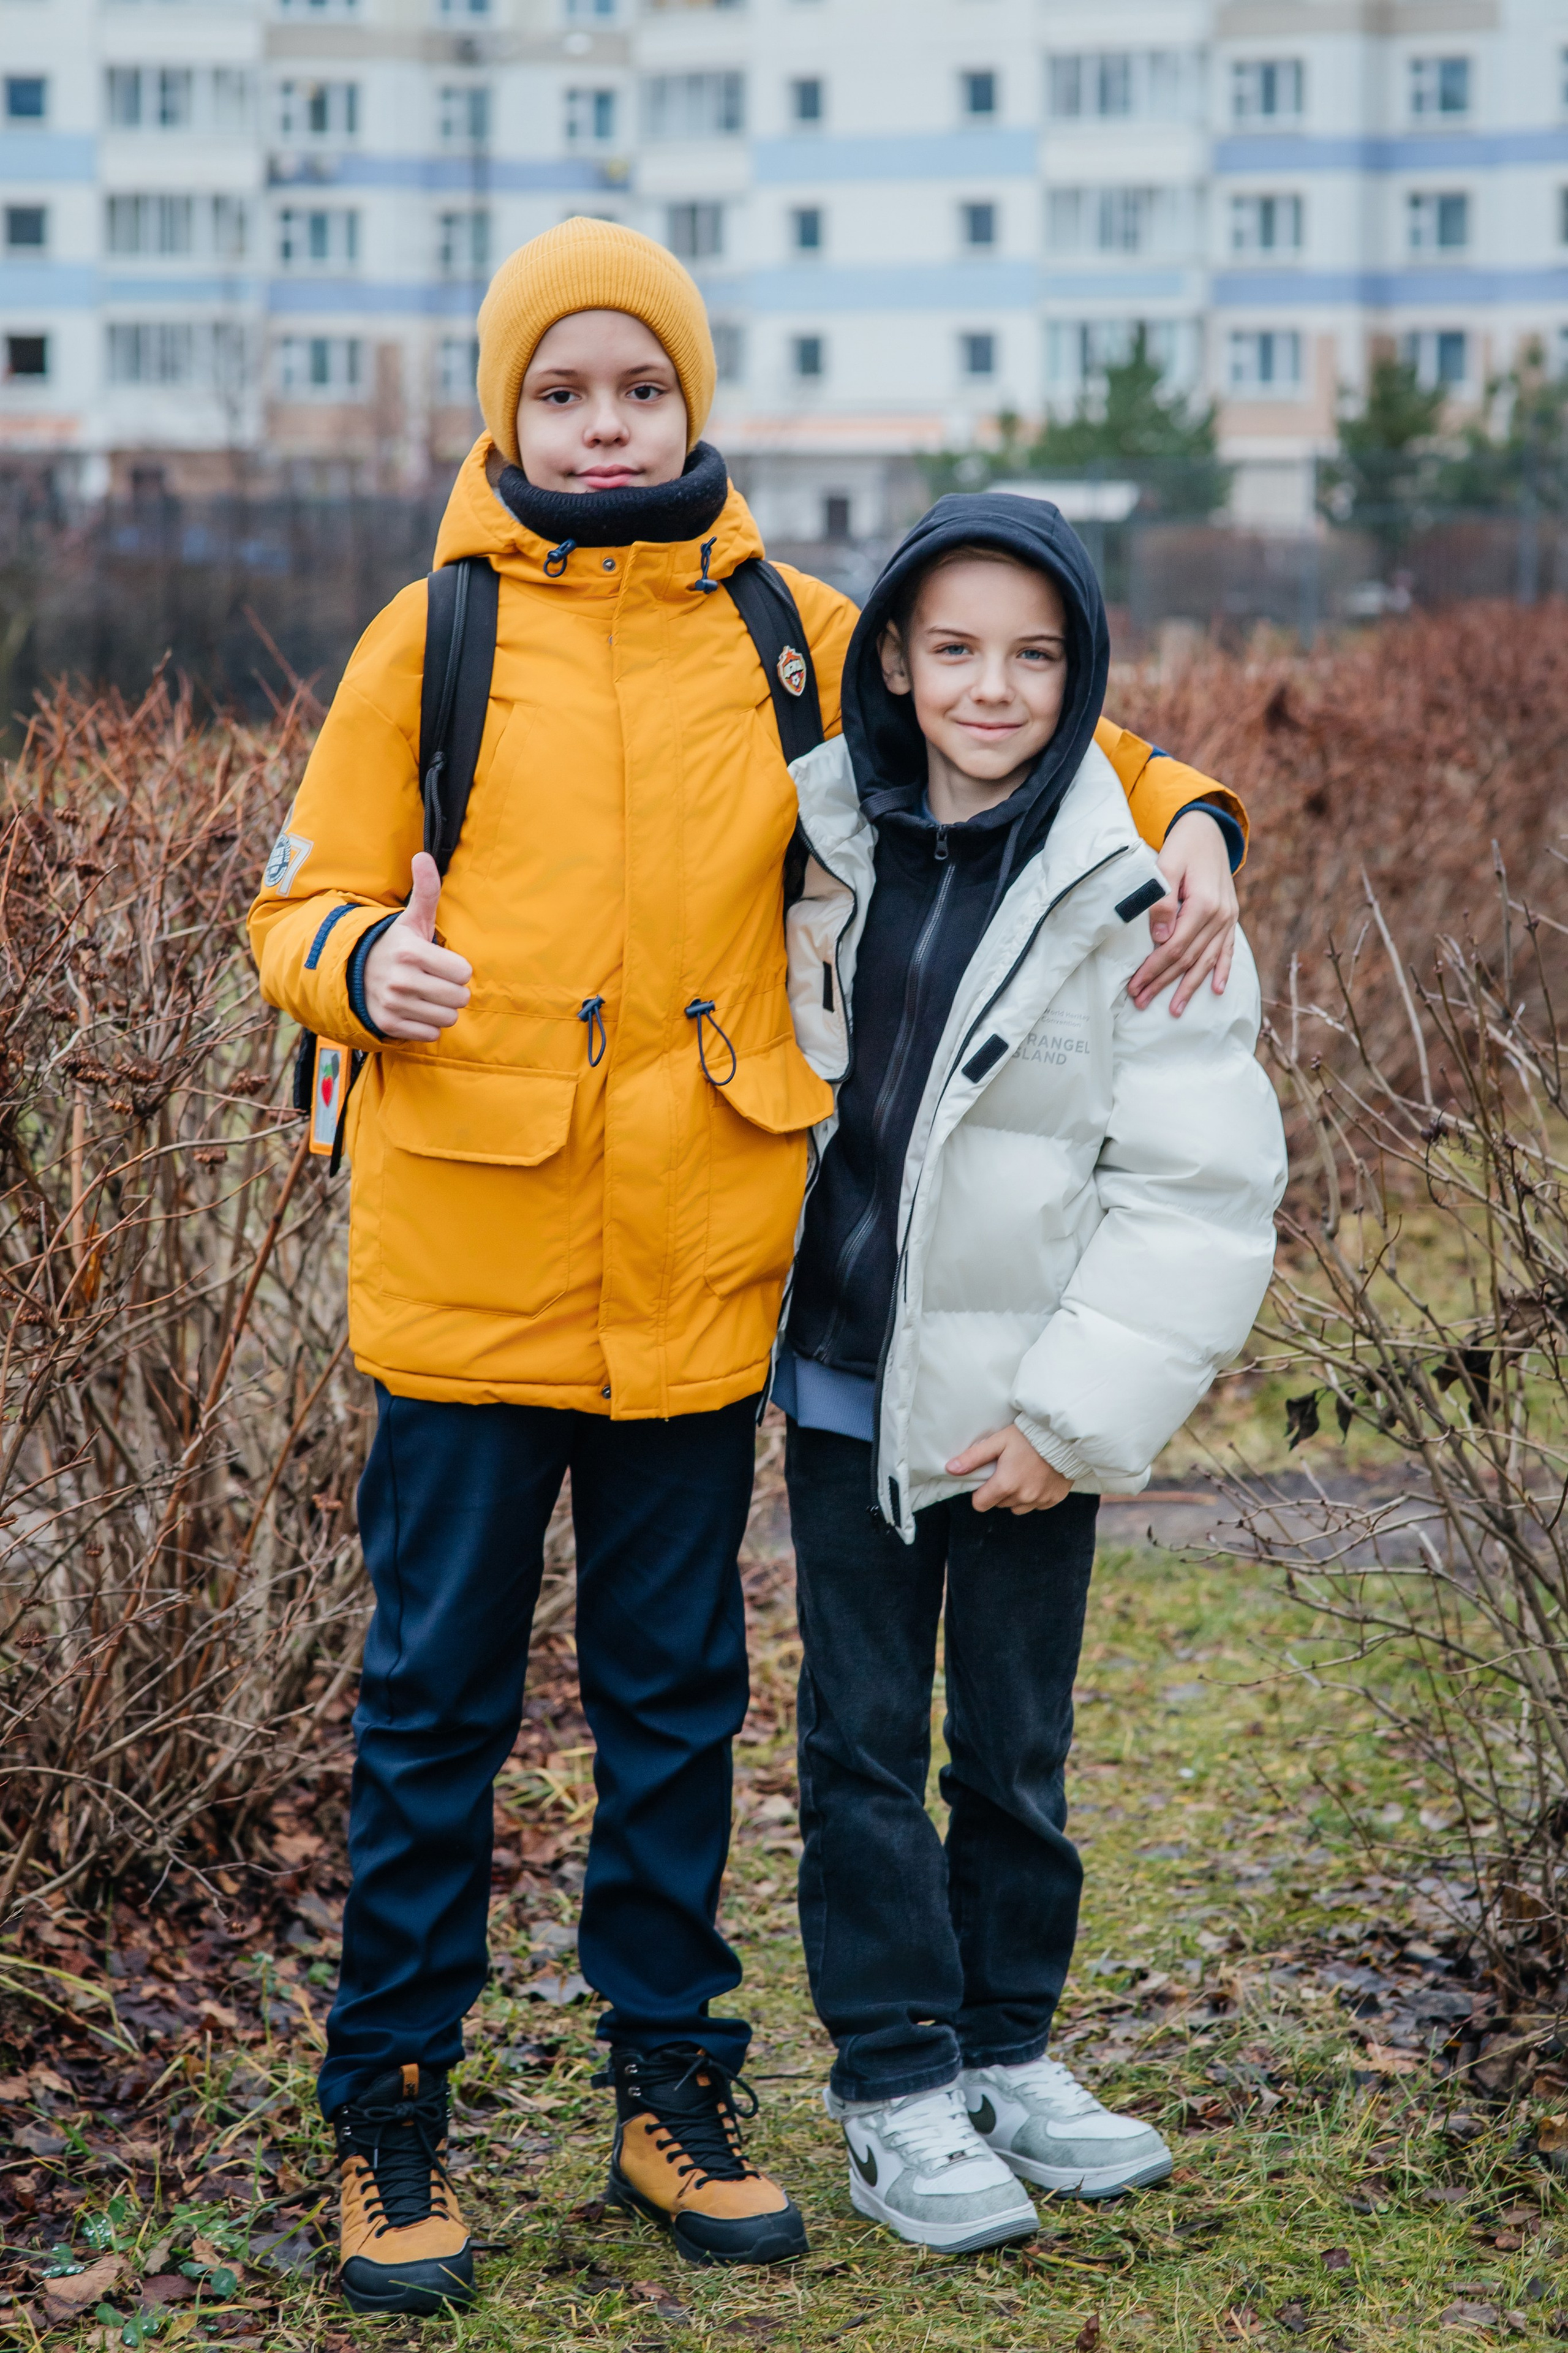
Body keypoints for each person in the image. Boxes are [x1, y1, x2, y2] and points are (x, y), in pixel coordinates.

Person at [247, 216, 1252, 2316]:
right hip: (469, 1280)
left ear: (692, 404)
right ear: (506, 409)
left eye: (639, 391)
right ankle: (393, 2109)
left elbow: (1024, 735)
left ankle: (672, 2088)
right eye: (561, 393)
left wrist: (1205, 810)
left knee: (677, 1704)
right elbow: (297, 900)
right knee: (431, 1709)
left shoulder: (793, 630)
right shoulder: (418, 643)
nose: (602, 428)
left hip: (706, 1281)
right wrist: (366, 962)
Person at [772, 494, 1287, 2254]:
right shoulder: (811, 835)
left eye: (1036, 654)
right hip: (844, 1385)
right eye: (956, 650)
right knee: (857, 1747)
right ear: (895, 663)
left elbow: (1197, 1188)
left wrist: (1072, 1420)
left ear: (1082, 677)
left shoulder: (1140, 886)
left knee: (1014, 1749)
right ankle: (898, 2084)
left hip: (1022, 1416)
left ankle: (1008, 2050)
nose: (993, 688)